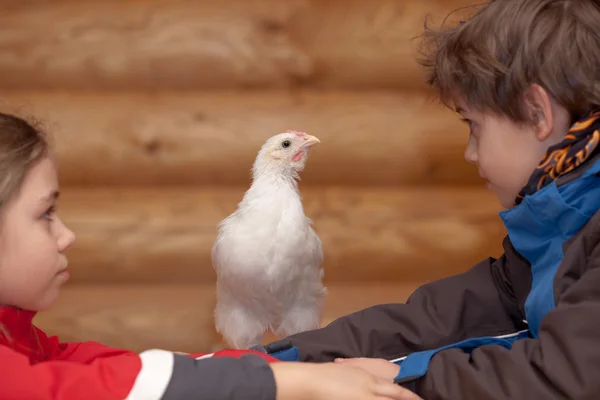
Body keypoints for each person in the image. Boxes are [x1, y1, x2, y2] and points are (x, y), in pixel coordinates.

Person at [257, 0, 600, 398]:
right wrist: (272, 364)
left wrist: (391, 380)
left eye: (474, 125)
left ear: (537, 113)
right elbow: (430, 323)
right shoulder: (547, 239)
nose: (469, 153)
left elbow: (566, 380)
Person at [0, 112, 419, 400]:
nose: (68, 235)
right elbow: (95, 390)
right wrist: (292, 380)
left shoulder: (20, 338)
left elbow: (97, 368)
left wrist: (285, 366)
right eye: (46, 214)